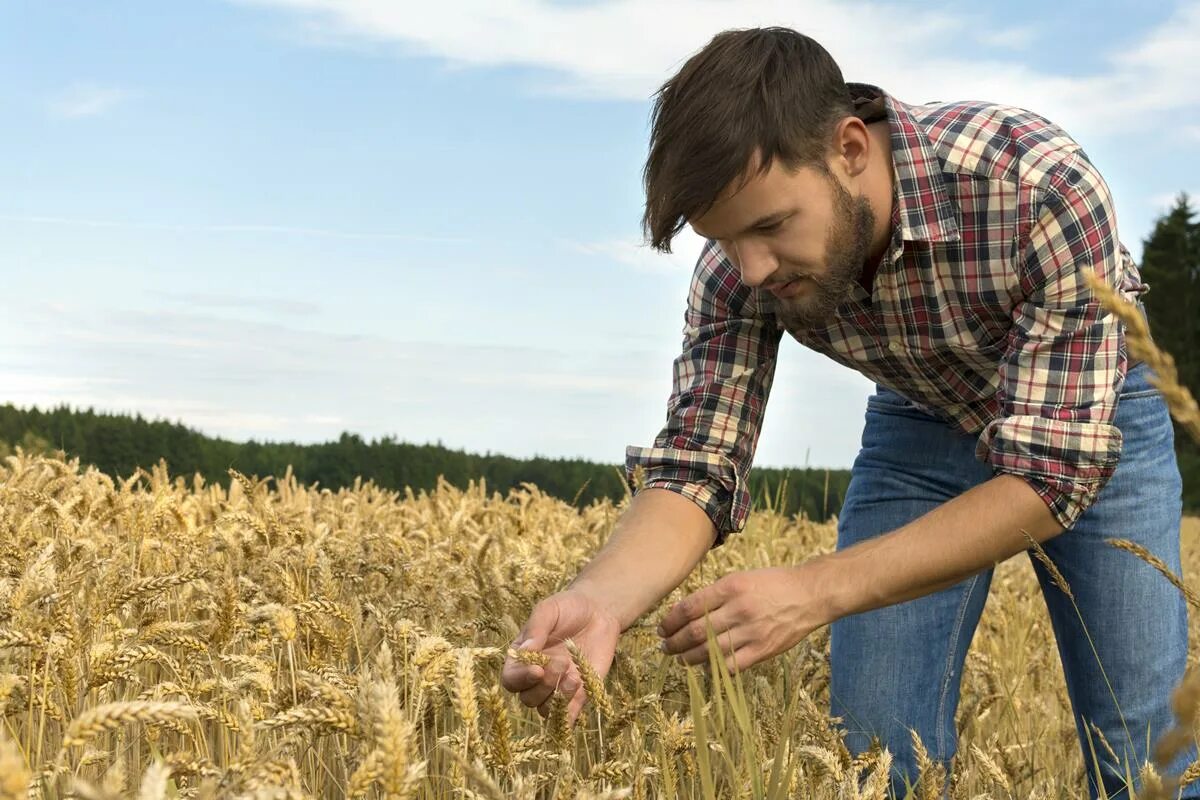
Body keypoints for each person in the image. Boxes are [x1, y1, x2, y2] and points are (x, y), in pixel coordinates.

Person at [499, 26, 1195, 800]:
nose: (751, 268)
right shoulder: (740, 270)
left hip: (1091, 422)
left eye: (771, 227)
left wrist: (817, 589)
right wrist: (599, 602)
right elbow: (698, 465)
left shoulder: (1036, 184)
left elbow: (1047, 478)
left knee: (1146, 746)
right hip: (922, 417)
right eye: (725, 240)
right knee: (872, 751)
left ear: (851, 149)